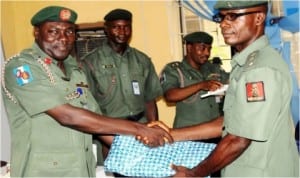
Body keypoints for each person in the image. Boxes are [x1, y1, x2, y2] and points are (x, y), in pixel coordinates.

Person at [1, 6, 172, 177]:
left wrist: (146, 154)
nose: (63, 38)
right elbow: (68, 116)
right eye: (53, 31)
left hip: (81, 170)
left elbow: (98, 123)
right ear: (37, 32)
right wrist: (139, 129)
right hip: (43, 172)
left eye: (69, 32)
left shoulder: (75, 70)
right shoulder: (21, 67)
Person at [168, 0, 299, 177]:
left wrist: (194, 174)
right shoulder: (245, 64)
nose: (223, 24)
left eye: (233, 16)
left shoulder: (260, 69)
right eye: (221, 17)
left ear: (259, 18)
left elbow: (238, 139)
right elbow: (232, 122)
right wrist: (170, 134)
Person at [81, 8, 163, 165]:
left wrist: (153, 129)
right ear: (106, 29)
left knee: (144, 171)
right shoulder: (90, 62)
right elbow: (87, 106)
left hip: (141, 129)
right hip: (109, 133)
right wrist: (104, 137)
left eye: (126, 26)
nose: (122, 31)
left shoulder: (142, 60)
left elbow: (149, 99)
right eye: (116, 27)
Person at [160, 31, 228, 132]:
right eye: (202, 48)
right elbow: (170, 96)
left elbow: (232, 81)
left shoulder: (214, 69)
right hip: (188, 133)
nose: (207, 53)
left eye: (209, 49)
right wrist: (201, 85)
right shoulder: (175, 70)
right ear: (189, 48)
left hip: (215, 131)